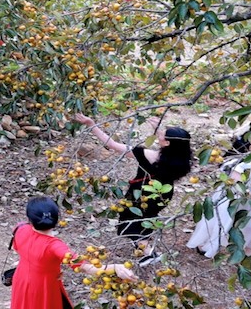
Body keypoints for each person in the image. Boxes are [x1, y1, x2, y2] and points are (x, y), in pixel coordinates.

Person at [73, 113, 192, 264]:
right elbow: (168, 146)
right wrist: (156, 129)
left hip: (140, 193)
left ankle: (149, 253)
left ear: (167, 143)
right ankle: (145, 243)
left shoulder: (148, 155)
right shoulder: (181, 161)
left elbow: (112, 145)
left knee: (130, 219)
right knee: (147, 216)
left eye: (163, 134)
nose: (160, 133)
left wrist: (91, 124)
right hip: (163, 194)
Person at [10, 197, 137, 309]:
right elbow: (87, 268)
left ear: (30, 218)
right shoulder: (55, 246)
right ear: (57, 219)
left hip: (21, 279)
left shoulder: (20, 229)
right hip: (43, 287)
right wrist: (115, 268)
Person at [186, 132, 251, 258]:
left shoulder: (240, 160)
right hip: (234, 198)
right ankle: (209, 244)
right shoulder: (244, 163)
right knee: (227, 222)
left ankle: (247, 249)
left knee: (240, 223)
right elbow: (235, 182)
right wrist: (250, 194)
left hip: (234, 196)